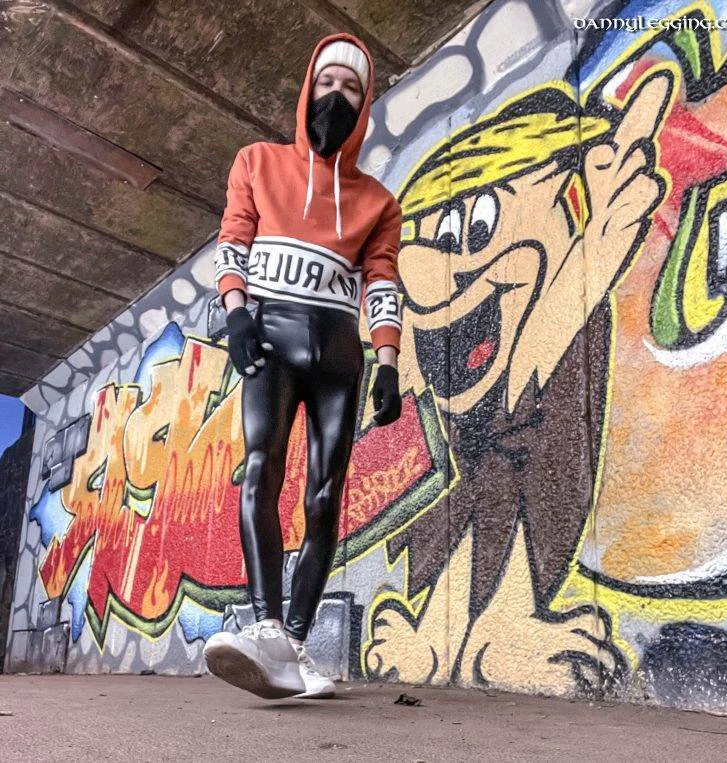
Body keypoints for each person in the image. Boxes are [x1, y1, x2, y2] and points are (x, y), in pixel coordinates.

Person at [202, 32, 403, 700]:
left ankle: (289, 641)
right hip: (269, 334)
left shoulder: (378, 200)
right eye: (328, 83)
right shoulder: (257, 162)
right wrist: (235, 314)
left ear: (365, 103)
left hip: (339, 352)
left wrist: (388, 361)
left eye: (352, 89)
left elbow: (381, 280)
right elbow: (232, 239)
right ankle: (264, 623)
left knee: (325, 497)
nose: (337, 97)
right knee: (261, 466)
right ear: (306, 89)